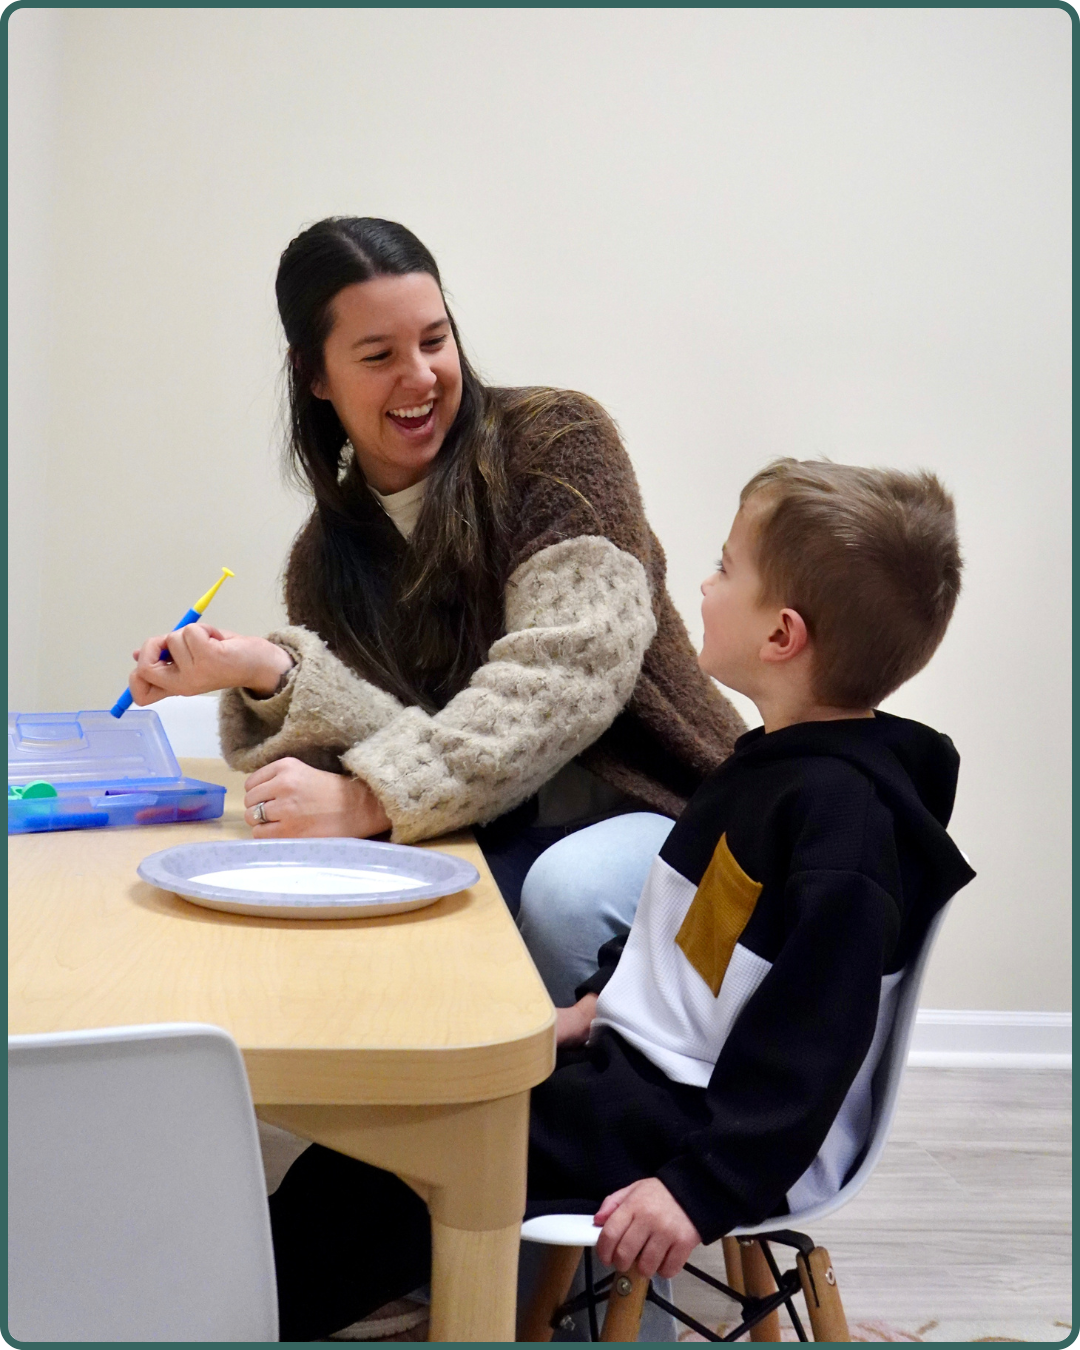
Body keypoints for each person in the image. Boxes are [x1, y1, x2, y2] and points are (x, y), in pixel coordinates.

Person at [265, 457, 977, 1340]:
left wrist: (699, 1188)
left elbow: (811, 1045)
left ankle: (243, 1313)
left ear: (782, 635)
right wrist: (599, 1007)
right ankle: (253, 1289)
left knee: (411, 1159)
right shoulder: (770, 769)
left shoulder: (842, 826)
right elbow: (696, 937)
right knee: (386, 1136)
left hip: (690, 1120)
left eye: (725, 569)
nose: (704, 586)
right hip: (647, 1071)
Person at [126, 216, 743, 1002]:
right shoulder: (325, 558)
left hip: (675, 811)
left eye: (435, 339)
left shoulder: (559, 442)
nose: (419, 377)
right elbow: (408, 741)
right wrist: (271, 670)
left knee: (563, 892)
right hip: (497, 833)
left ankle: (537, 1115)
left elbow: (566, 675)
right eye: (379, 356)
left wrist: (374, 797)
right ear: (315, 375)